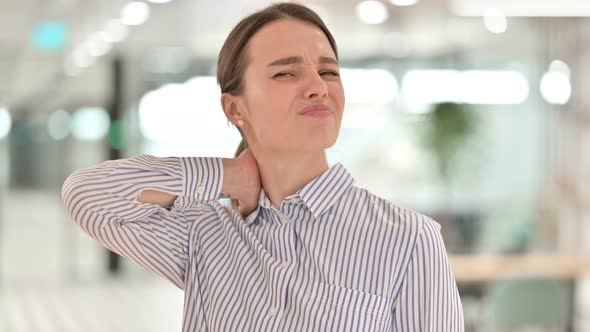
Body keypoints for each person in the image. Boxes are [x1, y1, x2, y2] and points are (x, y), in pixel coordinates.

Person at [62, 2, 464, 331]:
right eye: (286, 72)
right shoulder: (203, 234)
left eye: (328, 71)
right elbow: (88, 195)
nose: (317, 87)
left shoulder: (409, 240)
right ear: (235, 108)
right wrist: (227, 175)